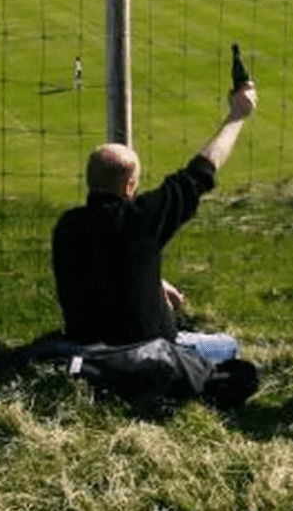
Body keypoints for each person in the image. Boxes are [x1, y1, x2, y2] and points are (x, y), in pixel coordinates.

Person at [51, 82, 257, 363]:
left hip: (86, 349)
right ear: (129, 186)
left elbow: (106, 262)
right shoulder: (142, 218)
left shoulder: (67, 226)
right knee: (228, 345)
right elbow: (200, 173)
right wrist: (237, 115)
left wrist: (152, 280)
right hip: (148, 353)